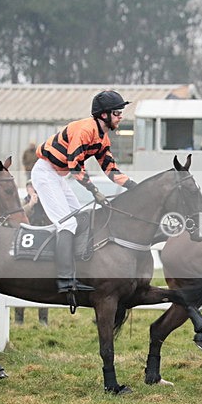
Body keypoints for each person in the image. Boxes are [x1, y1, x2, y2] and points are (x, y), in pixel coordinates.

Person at [31, 90, 138, 293]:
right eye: (117, 113)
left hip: (58, 176)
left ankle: (78, 270)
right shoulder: (85, 130)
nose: (120, 117)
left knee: (81, 217)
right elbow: (75, 165)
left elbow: (110, 169)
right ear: (104, 115)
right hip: (45, 173)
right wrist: (94, 190)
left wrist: (134, 186)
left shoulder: (102, 138)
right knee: (68, 223)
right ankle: (64, 280)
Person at [15, 179, 51, 325]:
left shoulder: (47, 202)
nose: (34, 189)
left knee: (44, 281)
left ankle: (43, 319)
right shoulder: (22, 202)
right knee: (21, 280)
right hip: (26, 244)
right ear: (28, 189)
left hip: (44, 244)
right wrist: (31, 204)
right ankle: (19, 319)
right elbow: (18, 217)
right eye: (31, 187)